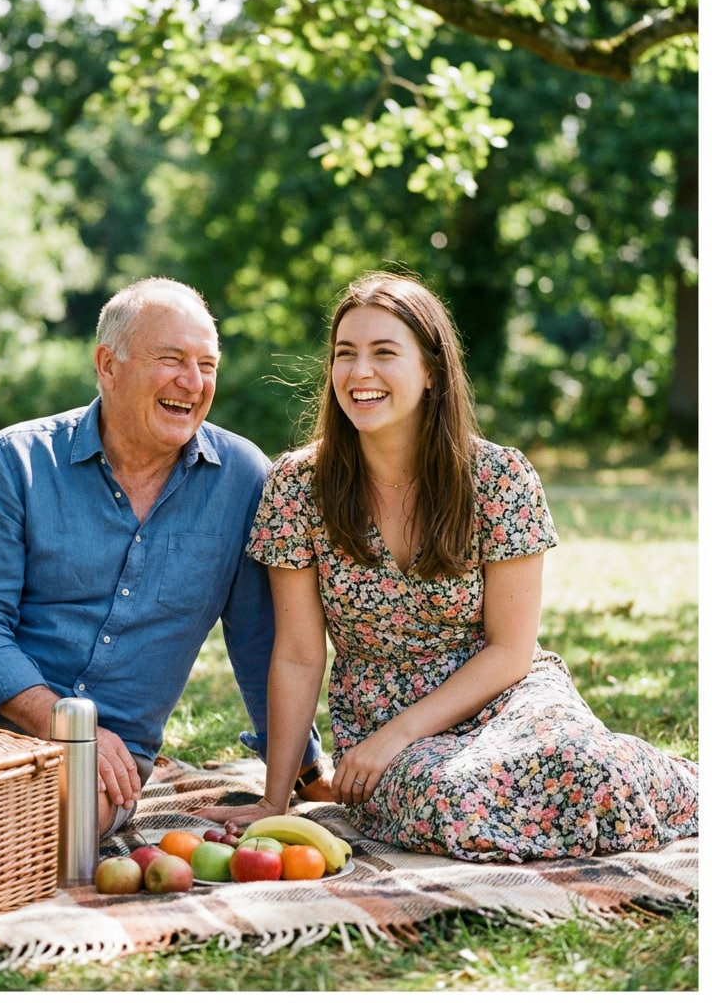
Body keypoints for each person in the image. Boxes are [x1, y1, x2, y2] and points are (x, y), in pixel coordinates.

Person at [205, 271, 699, 861]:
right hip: (381, 711)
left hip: (505, 692)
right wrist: (274, 801)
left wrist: (400, 735)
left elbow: (511, 651)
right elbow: (298, 654)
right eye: (345, 354)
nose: (360, 372)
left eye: (384, 353)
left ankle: (675, 782)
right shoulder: (298, 486)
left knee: (589, 767)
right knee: (452, 799)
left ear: (432, 371)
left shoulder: (499, 479)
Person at [0, 277, 330, 836]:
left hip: (107, 753)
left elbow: (260, 645)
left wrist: (306, 772)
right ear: (108, 365)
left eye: (207, 364)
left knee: (27, 831)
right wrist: (64, 723)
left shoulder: (243, 480)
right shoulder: (15, 460)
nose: (192, 382)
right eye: (171, 359)